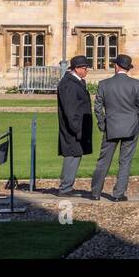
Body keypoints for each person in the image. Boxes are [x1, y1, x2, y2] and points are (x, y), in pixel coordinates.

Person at [89, 54, 139, 202]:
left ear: (116, 66)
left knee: (103, 161)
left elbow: (97, 107)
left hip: (111, 127)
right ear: (127, 68)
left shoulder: (104, 84)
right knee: (125, 161)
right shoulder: (136, 84)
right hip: (131, 127)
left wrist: (102, 124)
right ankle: (118, 194)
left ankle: (95, 192)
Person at [56, 55, 93, 197]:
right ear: (77, 69)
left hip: (77, 126)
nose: (86, 70)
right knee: (72, 155)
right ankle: (65, 188)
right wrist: (77, 129)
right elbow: (70, 109)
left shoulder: (75, 82)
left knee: (75, 155)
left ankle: (67, 186)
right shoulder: (69, 84)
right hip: (73, 128)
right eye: (85, 68)